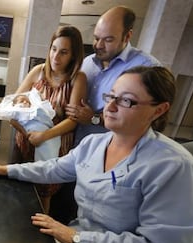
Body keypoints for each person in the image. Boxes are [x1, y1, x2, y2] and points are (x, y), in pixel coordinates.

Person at [0, 66, 193, 243]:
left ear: (158, 110)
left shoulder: (174, 167)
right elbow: (54, 168)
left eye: (126, 101)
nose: (109, 107)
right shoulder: (95, 144)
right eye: (111, 96)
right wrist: (5, 169)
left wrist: (76, 237)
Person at [12, 25, 87, 213]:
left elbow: (73, 120)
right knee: (19, 188)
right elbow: (13, 105)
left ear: (73, 55)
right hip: (26, 140)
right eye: (53, 49)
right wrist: (28, 134)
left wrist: (43, 136)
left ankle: (40, 236)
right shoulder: (38, 71)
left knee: (43, 192)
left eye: (63, 52)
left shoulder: (77, 79)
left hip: (53, 146)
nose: (56, 57)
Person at [65, 6, 160, 146]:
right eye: (96, 38)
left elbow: (148, 121)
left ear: (127, 36)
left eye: (108, 40)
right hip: (72, 147)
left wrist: (94, 119)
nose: (99, 45)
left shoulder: (147, 68)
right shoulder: (86, 63)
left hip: (109, 154)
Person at [0, 90, 60, 162]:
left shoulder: (34, 109)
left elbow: (45, 115)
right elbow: (10, 117)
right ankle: (46, 164)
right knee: (45, 150)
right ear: (14, 105)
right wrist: (27, 134)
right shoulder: (16, 110)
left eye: (27, 101)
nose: (25, 102)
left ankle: (48, 163)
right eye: (22, 101)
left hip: (46, 129)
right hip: (33, 131)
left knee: (52, 143)